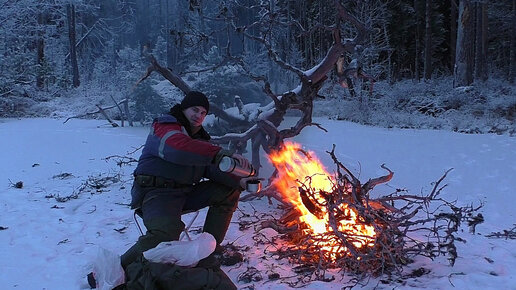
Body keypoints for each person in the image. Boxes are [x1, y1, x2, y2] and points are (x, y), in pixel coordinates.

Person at [120, 91, 252, 269]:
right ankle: (118, 268)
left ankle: (208, 250)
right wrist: (218, 153)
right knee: (166, 233)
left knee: (228, 191)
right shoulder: (165, 126)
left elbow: (210, 168)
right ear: (183, 109)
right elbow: (177, 148)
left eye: (203, 113)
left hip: (183, 193)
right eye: (194, 110)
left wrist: (240, 179)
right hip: (155, 193)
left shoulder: (199, 140)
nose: (198, 116)